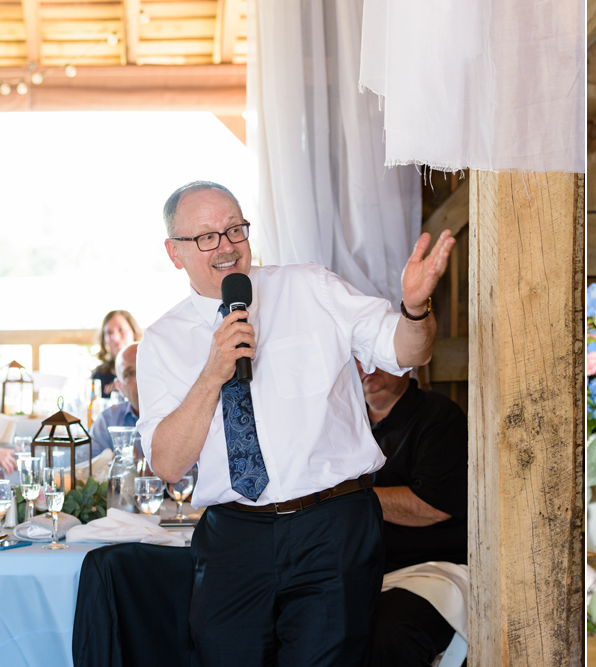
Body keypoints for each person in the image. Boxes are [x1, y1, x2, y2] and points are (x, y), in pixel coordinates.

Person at [137, 180, 453, 666]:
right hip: (233, 538)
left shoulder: (309, 286)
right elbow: (168, 464)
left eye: (234, 229)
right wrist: (212, 372)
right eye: (206, 237)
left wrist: (414, 308)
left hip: (332, 526)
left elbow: (407, 350)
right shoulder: (161, 341)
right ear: (174, 252)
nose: (225, 246)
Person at [360, 364, 467, 666]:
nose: (366, 368)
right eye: (357, 358)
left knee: (387, 632)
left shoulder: (439, 417)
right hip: (360, 571)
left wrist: (350, 498)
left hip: (432, 570)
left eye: (376, 357)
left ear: (405, 363)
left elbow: (434, 507)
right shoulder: (346, 420)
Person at [88, 343, 140, 459]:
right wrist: (112, 464)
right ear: (120, 387)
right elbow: (86, 469)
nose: (139, 379)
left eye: (144, 368)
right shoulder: (107, 422)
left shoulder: (181, 415)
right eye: (129, 374)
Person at [92, 310, 142, 399]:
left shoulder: (149, 368)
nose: (115, 338)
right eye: (109, 332)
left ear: (133, 332)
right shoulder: (99, 375)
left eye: (121, 330)